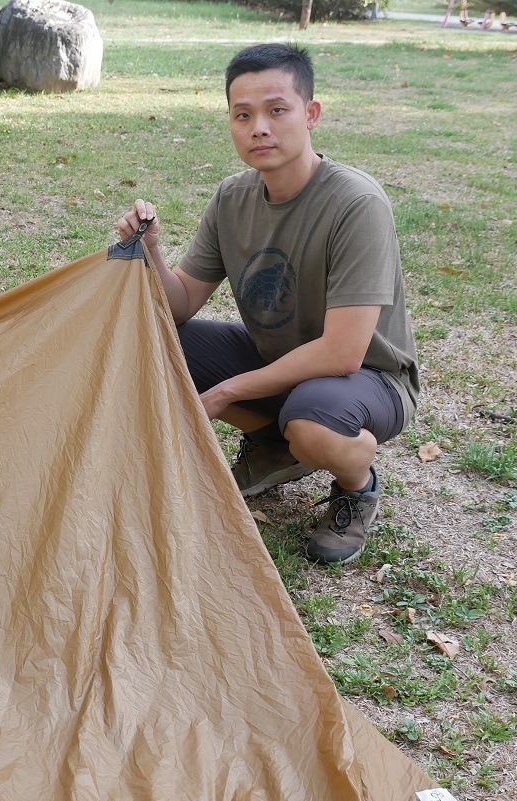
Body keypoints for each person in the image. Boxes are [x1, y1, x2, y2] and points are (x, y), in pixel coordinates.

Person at [116, 43, 419, 565]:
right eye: (243, 115)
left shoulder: (356, 203)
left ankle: (357, 484)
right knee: (152, 341)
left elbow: (343, 353)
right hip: (279, 362)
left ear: (311, 114)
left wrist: (224, 392)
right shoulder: (232, 198)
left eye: (277, 110)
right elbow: (180, 305)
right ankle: (271, 444)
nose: (259, 128)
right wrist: (152, 252)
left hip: (370, 377)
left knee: (311, 422)